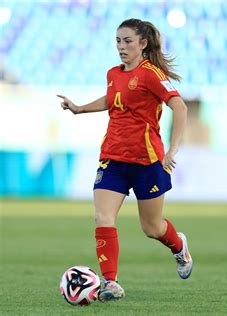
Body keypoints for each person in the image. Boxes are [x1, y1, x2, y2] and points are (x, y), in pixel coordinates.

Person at [58, 18, 192, 302]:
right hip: (113, 158)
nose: (121, 47)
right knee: (102, 216)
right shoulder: (113, 73)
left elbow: (179, 106)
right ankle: (110, 282)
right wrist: (80, 109)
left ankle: (179, 246)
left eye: (127, 41)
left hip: (147, 161)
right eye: (118, 41)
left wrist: (173, 149)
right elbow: (111, 99)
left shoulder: (151, 75)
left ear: (143, 44)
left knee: (151, 228)